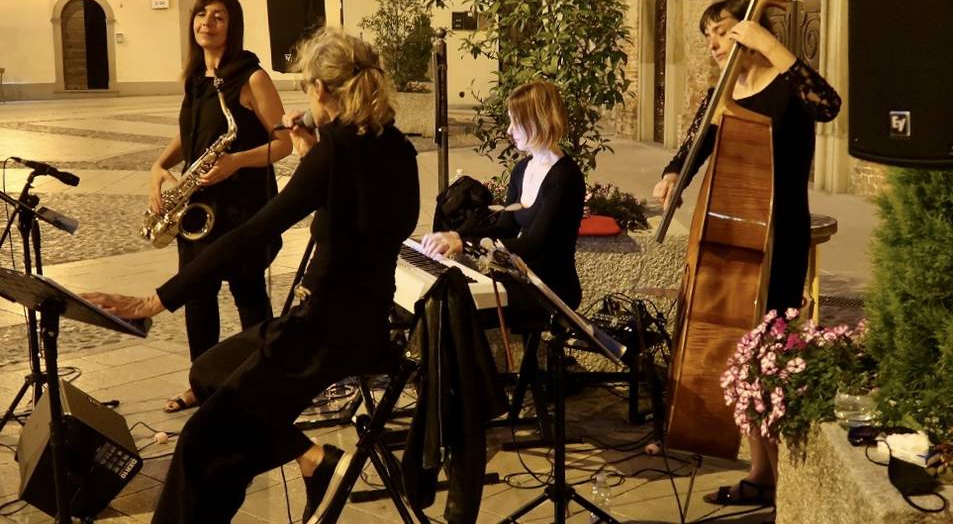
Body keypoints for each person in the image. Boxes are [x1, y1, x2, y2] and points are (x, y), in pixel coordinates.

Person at [86, 28, 421, 523]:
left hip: (322, 333)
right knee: (208, 373)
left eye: (307, 88)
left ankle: (282, 474)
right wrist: (314, 159)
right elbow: (371, 222)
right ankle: (317, 461)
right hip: (363, 323)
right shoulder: (397, 150)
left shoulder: (335, 154)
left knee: (203, 443)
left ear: (323, 92)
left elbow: (250, 234)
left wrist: (157, 299)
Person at [652, 0, 841, 510]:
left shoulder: (785, 85)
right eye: (708, 35)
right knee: (742, 348)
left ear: (751, 31)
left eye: (723, 31)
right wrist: (674, 174)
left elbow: (828, 104)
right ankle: (760, 470)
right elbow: (697, 143)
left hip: (780, 234)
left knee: (768, 349)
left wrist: (771, 45)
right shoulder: (727, 89)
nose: (715, 43)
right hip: (738, 236)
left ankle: (778, 472)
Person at [149, 0, 292, 413]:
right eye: (201, 15)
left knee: (248, 292)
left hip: (242, 207)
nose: (206, 23)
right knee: (198, 295)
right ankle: (203, 384)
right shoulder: (196, 80)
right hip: (199, 208)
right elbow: (189, 132)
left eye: (218, 17)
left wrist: (236, 163)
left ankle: (264, 382)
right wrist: (158, 166)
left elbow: (282, 144)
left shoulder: (251, 78)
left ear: (233, 27)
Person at [421, 80, 586, 315]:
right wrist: (458, 235)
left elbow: (535, 244)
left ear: (537, 121)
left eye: (515, 122)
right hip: (522, 277)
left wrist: (466, 245)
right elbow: (504, 229)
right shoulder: (521, 169)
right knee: (444, 296)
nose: (509, 130)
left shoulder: (565, 176)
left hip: (551, 288)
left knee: (461, 307)